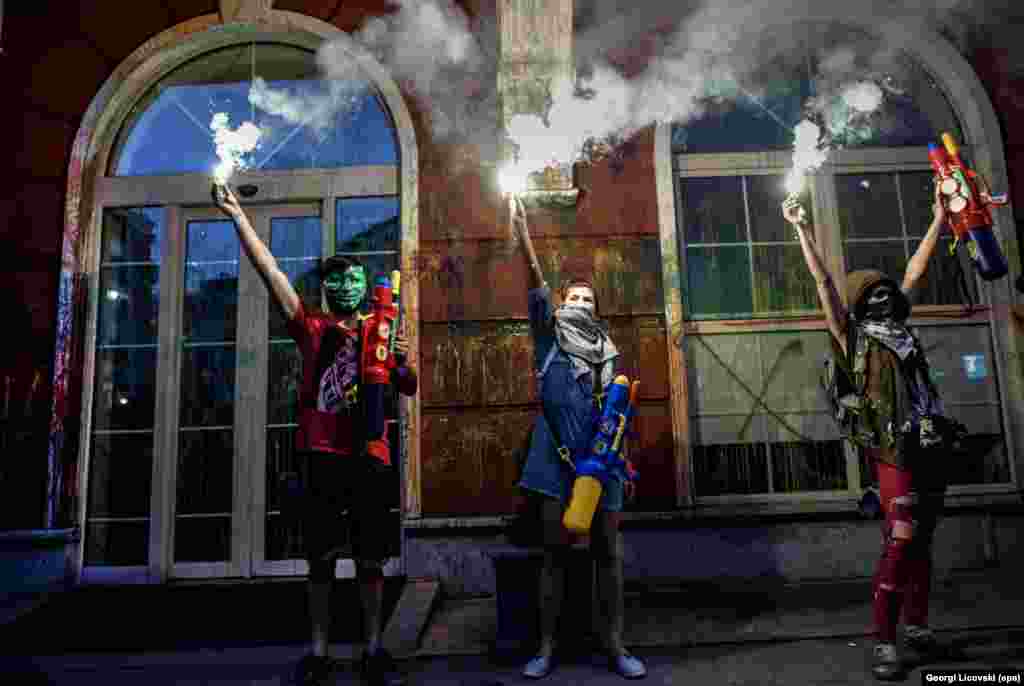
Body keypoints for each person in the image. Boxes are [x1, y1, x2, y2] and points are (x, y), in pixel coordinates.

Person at [215, 184, 416, 686]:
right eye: (336, 280)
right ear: (326, 287)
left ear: (365, 283)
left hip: (369, 453)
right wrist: (239, 216)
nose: (346, 288)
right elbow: (273, 274)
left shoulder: (382, 328)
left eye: (353, 280)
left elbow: (408, 386)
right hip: (321, 453)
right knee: (321, 559)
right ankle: (320, 651)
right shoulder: (313, 327)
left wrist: (402, 359)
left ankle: (373, 648)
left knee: (370, 559)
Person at [782, 184, 963, 681]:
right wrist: (803, 229)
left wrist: (939, 219)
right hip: (893, 451)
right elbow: (823, 285)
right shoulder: (852, 337)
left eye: (887, 290)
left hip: (931, 444)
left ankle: (919, 631)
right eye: (872, 292)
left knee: (922, 541)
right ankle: (885, 640)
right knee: (901, 539)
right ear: (859, 305)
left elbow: (915, 273)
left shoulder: (906, 332)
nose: (884, 294)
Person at [511, 199, 646, 680]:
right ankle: (546, 648)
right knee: (555, 555)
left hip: (602, 462)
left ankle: (615, 646)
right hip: (554, 460)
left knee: (609, 555)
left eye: (588, 301)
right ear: (561, 306)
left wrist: (624, 464)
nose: (580, 307)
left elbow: (618, 415)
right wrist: (524, 234)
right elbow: (535, 287)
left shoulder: (611, 352)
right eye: (573, 300)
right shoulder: (549, 340)